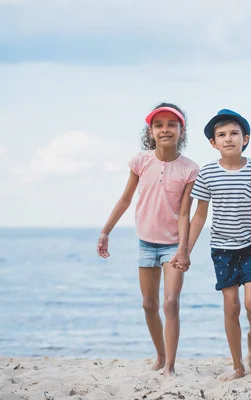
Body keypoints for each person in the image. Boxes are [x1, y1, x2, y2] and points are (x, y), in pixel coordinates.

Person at [96, 103, 199, 377]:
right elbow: (126, 198)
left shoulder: (190, 169)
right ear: (151, 131)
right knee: (149, 305)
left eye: (171, 124)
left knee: (171, 303)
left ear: (181, 129)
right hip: (145, 242)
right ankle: (160, 354)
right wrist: (106, 230)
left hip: (173, 246)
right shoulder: (140, 162)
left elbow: (185, 213)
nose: (165, 129)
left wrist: (183, 249)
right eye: (159, 125)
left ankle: (170, 366)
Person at [186, 109, 251, 381]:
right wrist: (185, 250)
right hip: (222, 248)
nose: (228, 139)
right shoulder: (208, 172)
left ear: (245, 138)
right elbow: (200, 215)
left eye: (234, 133)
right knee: (231, 307)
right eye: (221, 135)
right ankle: (238, 365)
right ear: (213, 143)